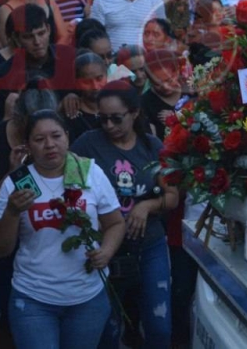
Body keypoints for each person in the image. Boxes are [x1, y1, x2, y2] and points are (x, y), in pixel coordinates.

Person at [0, 110, 124, 349]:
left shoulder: (89, 172)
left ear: (67, 137)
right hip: (33, 299)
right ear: (27, 145)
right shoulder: (17, 182)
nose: (49, 145)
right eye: (39, 140)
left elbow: (115, 223)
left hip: (88, 298)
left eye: (56, 136)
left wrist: (106, 251)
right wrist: (11, 212)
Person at [72, 83, 177, 349]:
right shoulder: (87, 144)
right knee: (108, 331)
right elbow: (70, 191)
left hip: (149, 245)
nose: (108, 125)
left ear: (134, 113)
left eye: (116, 118)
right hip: (106, 249)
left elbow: (172, 197)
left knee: (159, 326)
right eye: (102, 118)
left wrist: (147, 207)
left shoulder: (152, 146)